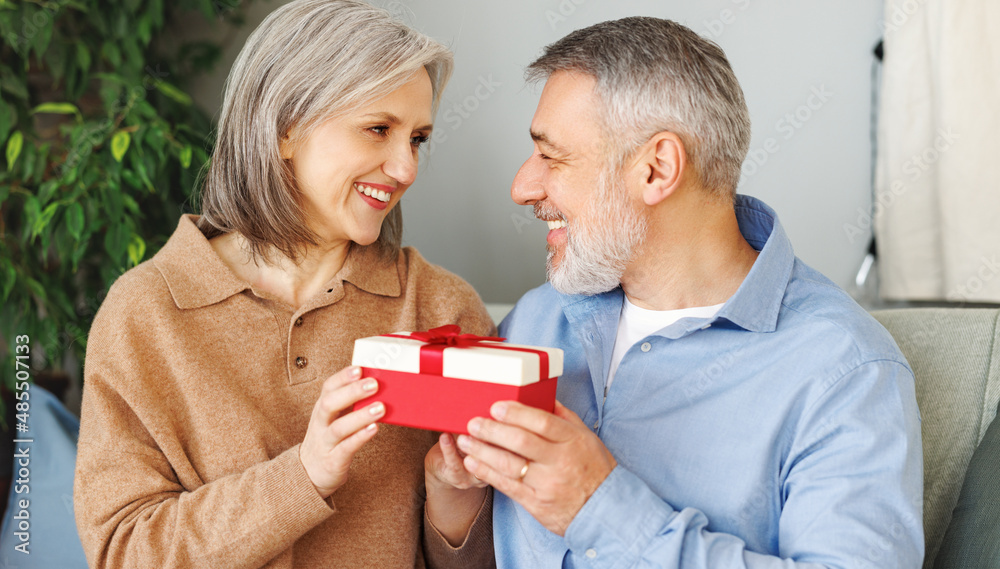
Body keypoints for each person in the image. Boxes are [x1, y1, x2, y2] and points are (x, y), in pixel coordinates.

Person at [453, 16, 925, 568]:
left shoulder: (844, 371)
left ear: (656, 169)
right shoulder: (537, 319)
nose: (522, 187)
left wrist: (597, 507)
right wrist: (452, 505)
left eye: (551, 157)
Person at [73, 1, 494, 567]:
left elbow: (490, 557)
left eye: (417, 138)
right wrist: (304, 475)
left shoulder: (442, 306)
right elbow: (123, 552)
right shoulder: (144, 314)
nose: (405, 168)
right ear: (285, 130)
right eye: (378, 129)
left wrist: (455, 499)